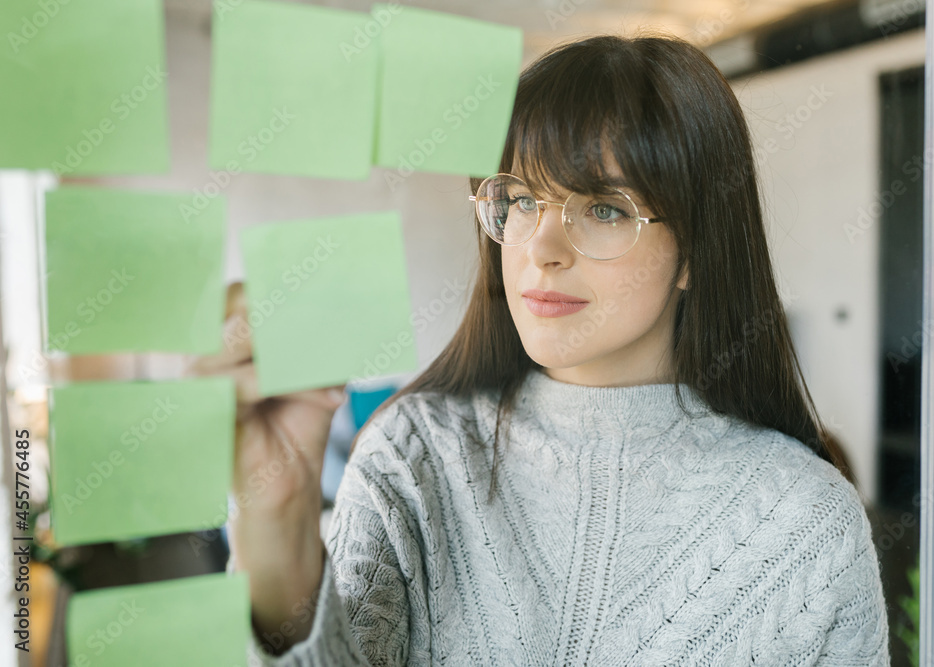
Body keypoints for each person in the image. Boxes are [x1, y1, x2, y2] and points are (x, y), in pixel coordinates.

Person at [191, 32, 890, 666]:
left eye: (605, 208)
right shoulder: (414, 457)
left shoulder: (805, 522)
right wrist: (276, 512)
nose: (539, 250)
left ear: (694, 252)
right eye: (521, 200)